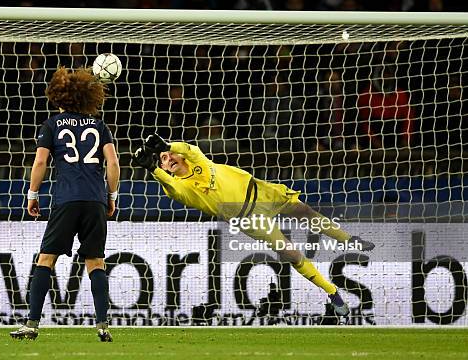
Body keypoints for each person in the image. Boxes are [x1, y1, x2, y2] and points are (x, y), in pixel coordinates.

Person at [132, 134, 375, 317]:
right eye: (164, 160)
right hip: (249, 218)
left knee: (305, 212)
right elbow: (171, 185)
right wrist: (153, 168)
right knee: (290, 253)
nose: (168, 159)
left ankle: (348, 240)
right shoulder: (181, 188)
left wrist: (166, 146)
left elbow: (189, 148)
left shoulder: (198, 161)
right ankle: (332, 292)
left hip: (259, 191)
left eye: (169, 156)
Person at [10, 67, 120, 341]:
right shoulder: (99, 125)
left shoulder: (51, 125)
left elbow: (40, 162)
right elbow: (114, 163)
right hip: (94, 201)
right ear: (88, 97)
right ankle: (103, 325)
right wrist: (112, 196)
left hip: (66, 200)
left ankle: (32, 324)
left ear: (59, 98)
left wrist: (32, 195)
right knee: (96, 263)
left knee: (46, 259)